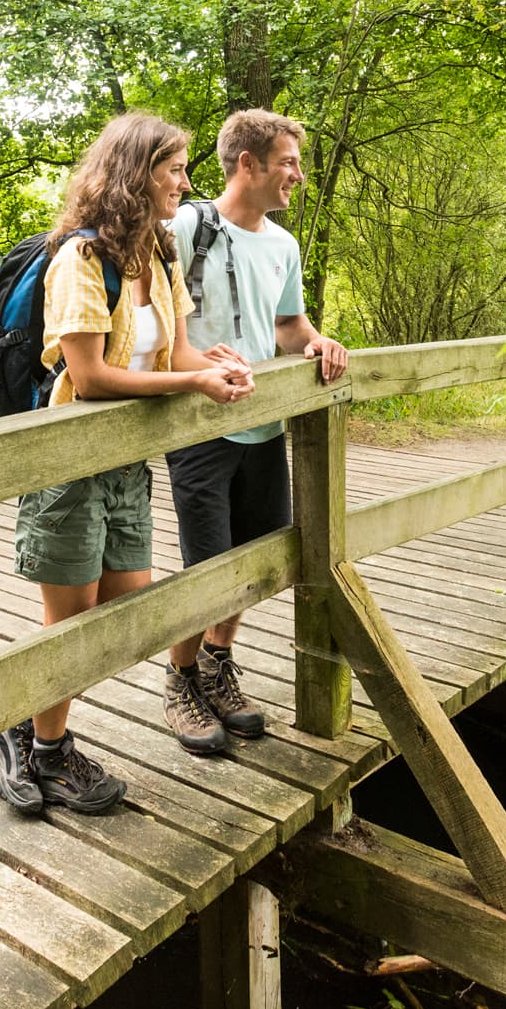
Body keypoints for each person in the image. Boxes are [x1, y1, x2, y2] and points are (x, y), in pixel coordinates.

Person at [0, 113, 255, 815]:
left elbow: (174, 352)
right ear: (137, 173)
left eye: (186, 169)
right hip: (68, 466)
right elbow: (92, 375)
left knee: (129, 612)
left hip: (127, 464)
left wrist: (215, 364)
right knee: (70, 623)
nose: (186, 184)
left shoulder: (158, 255)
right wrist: (190, 384)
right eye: (174, 170)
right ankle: (48, 752)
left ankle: (18, 725)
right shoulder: (79, 259)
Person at [161, 109, 349, 752]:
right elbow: (152, 322)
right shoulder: (184, 227)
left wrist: (319, 343)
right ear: (250, 164)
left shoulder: (284, 245)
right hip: (199, 426)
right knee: (206, 565)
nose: (298, 174)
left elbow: (289, 327)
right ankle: (180, 678)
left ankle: (216, 662)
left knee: (258, 559)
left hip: (264, 426)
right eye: (289, 162)